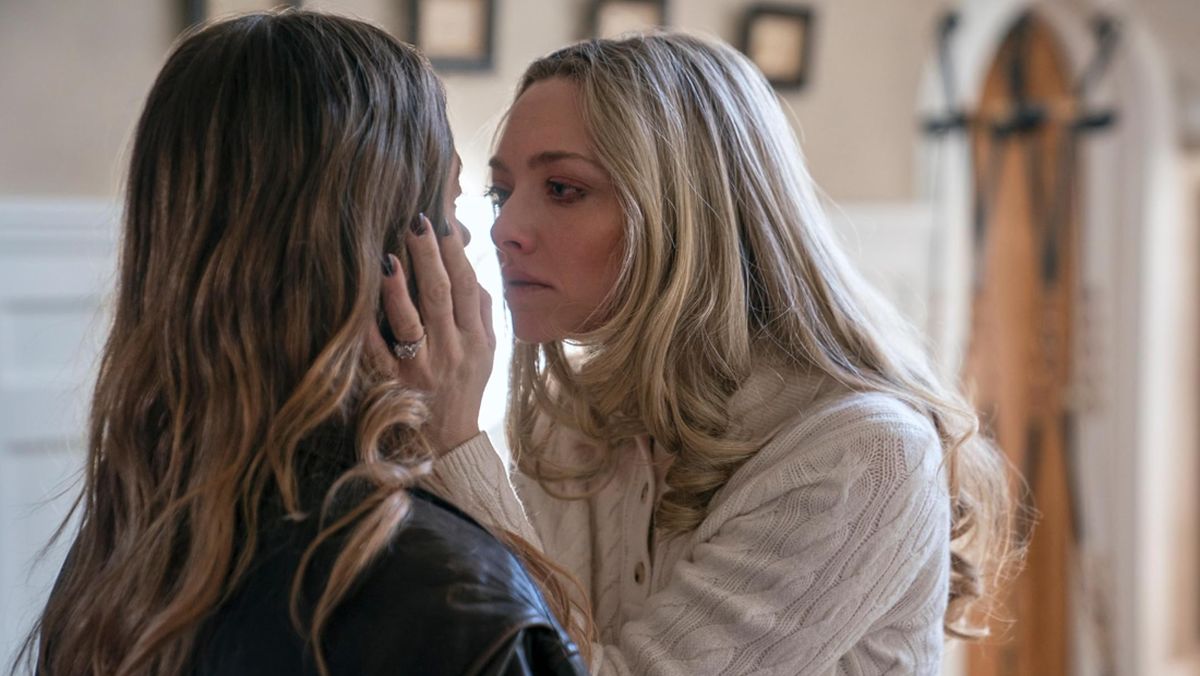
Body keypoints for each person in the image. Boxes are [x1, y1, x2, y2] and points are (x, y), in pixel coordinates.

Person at [389, 33, 1021, 674]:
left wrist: (453, 440)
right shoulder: (571, 420)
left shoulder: (864, 453)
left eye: (563, 189)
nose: (503, 229)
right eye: (501, 194)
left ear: (687, 211)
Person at [18, 11, 587, 676]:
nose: (473, 239)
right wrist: (455, 442)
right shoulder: (452, 598)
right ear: (392, 252)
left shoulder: (123, 550)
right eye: (454, 204)